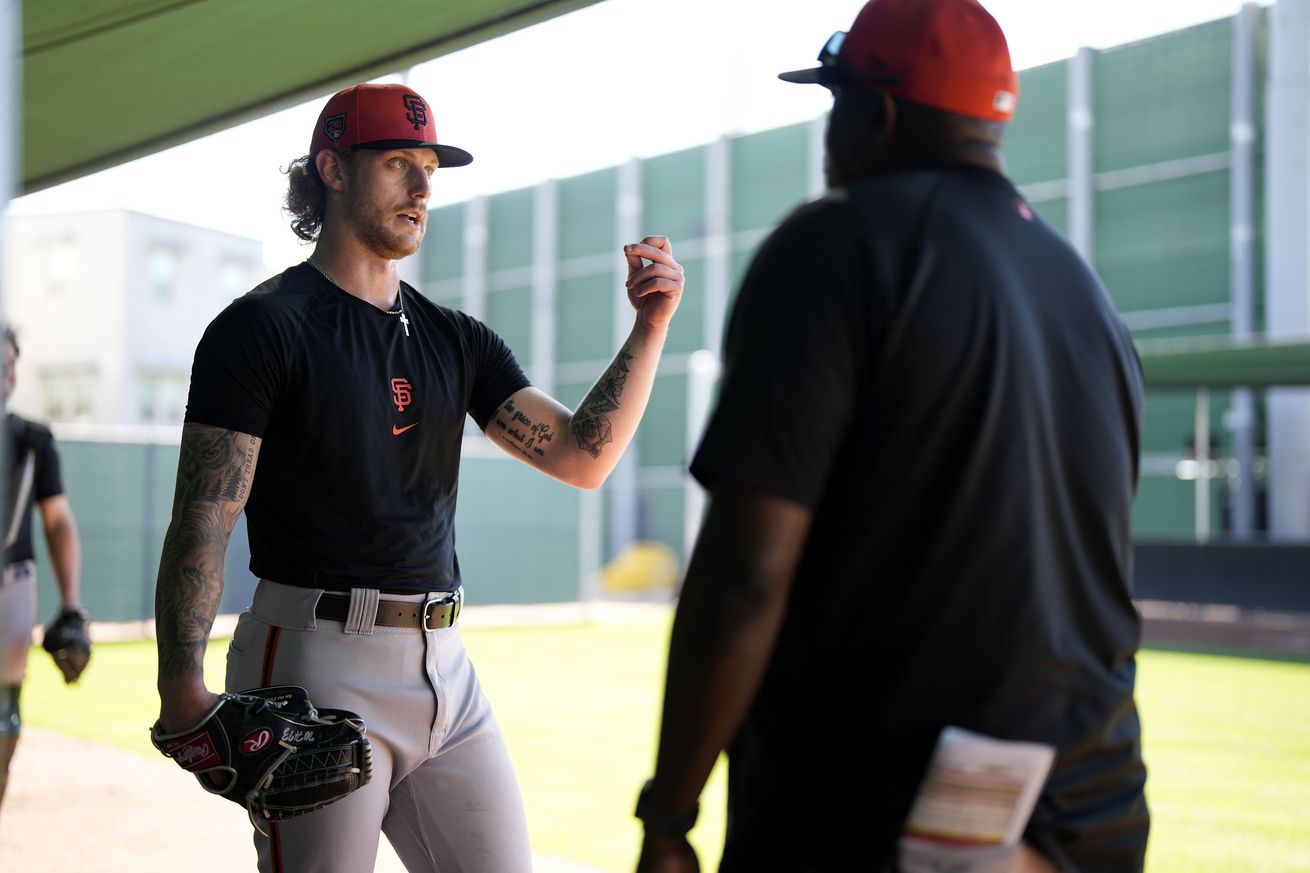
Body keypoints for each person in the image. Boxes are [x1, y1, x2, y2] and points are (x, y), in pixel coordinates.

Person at [633, 1, 1149, 871]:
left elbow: (744, 580)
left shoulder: (835, 245)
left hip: (887, 815)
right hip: (1094, 807)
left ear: (879, 113)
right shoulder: (1086, 295)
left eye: (837, 104)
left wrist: (669, 813)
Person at [152, 81, 683, 872]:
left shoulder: (455, 338)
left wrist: (649, 330)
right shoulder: (261, 328)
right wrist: (181, 691)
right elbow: (204, 514)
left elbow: (582, 454)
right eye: (399, 162)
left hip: (446, 669)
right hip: (315, 666)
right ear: (331, 169)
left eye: (430, 166)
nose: (424, 187)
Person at [1, 326, 86, 811]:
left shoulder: (31, 440)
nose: (9, 374)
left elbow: (58, 522)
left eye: (13, 362)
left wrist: (71, 605)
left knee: (3, 722)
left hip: (9, 590)